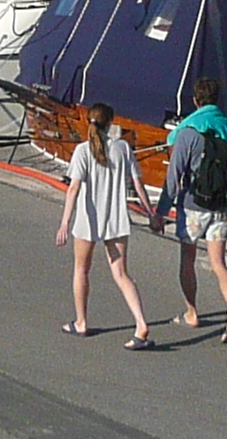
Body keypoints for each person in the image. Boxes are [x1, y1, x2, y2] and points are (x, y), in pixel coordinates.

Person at [152, 77, 227, 341]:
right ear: (216, 100)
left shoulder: (188, 132)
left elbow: (174, 176)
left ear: (195, 101)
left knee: (188, 260)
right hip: (221, 206)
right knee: (219, 263)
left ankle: (192, 312)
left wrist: (161, 213)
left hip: (193, 205)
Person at [54, 102, 153, 348]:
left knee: (81, 270)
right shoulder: (123, 148)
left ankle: (81, 322)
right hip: (116, 218)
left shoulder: (82, 151)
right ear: (111, 122)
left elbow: (74, 188)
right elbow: (138, 185)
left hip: (89, 220)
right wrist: (151, 214)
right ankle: (140, 323)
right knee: (121, 274)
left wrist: (65, 222)